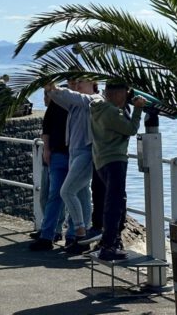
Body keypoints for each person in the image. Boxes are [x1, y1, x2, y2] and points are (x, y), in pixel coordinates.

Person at [91, 81, 147, 261]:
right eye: (126, 94)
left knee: (117, 202)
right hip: (114, 160)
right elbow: (130, 129)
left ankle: (113, 241)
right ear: (118, 94)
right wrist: (138, 108)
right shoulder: (112, 112)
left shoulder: (98, 108)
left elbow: (122, 120)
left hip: (100, 160)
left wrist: (128, 106)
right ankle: (108, 246)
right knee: (115, 204)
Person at [47, 78, 103, 254]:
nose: (77, 86)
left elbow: (74, 97)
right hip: (73, 152)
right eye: (76, 83)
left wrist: (56, 88)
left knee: (66, 191)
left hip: (86, 152)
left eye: (81, 82)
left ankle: (80, 231)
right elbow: (59, 98)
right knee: (81, 194)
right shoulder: (76, 104)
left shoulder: (95, 100)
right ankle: (83, 233)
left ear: (93, 82)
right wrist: (50, 89)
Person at [30, 88, 72, 251]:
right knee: (54, 194)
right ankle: (49, 234)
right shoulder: (57, 104)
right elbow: (46, 128)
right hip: (58, 153)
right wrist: (47, 150)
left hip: (74, 154)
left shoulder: (80, 102)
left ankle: (71, 234)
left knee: (74, 195)